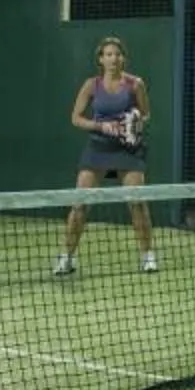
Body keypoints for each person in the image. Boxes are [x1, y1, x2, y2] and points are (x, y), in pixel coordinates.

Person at [53, 36, 157, 276]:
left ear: (124, 58)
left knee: (137, 204)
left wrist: (134, 123)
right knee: (80, 204)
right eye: (108, 54)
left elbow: (146, 115)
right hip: (98, 148)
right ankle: (66, 257)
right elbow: (76, 118)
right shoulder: (91, 85)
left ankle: (148, 256)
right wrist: (101, 127)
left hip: (127, 150)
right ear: (101, 59)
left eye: (117, 54)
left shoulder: (135, 84)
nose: (113, 59)